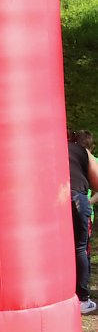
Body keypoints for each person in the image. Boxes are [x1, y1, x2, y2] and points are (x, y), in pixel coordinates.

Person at [70, 129, 98, 314]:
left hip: (57, 198)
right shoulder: (83, 152)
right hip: (78, 198)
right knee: (80, 248)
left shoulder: (55, 147)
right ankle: (82, 298)